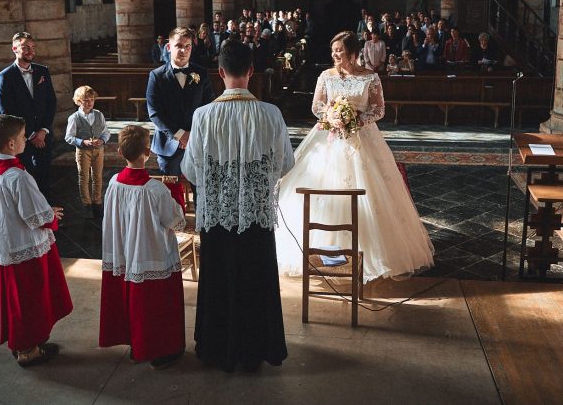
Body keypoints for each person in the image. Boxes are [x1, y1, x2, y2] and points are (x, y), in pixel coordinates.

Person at [275, 31, 435, 283]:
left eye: (339, 50)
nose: (335, 55)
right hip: (328, 138)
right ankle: (324, 249)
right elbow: (316, 106)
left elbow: (379, 109)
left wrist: (356, 119)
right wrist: (331, 116)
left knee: (370, 192)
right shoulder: (325, 76)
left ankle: (368, 252)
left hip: (363, 138)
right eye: (333, 51)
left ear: (352, 53)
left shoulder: (370, 77)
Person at [181, 41, 295, 372]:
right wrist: (256, 179)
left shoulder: (202, 116)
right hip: (255, 215)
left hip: (217, 216)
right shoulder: (270, 113)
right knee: (255, 280)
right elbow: (285, 163)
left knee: (220, 280)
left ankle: (218, 349)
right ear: (251, 71)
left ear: (220, 73)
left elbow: (190, 169)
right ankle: (256, 349)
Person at [0, 114, 72, 367]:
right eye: (22, 137)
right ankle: (28, 351)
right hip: (24, 247)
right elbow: (36, 217)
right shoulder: (17, 176)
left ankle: (23, 342)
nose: (25, 140)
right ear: (11, 144)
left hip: (6, 246)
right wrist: (50, 215)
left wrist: (42, 210)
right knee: (30, 299)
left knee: (16, 298)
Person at [99, 125, 187, 368]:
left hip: (126, 253)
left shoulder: (115, 182)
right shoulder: (155, 189)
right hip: (151, 255)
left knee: (132, 301)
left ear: (119, 151)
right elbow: (176, 221)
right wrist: (176, 193)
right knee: (155, 306)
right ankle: (158, 350)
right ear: (148, 152)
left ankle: (136, 343)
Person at [146, 27, 217, 176]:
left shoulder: (202, 74)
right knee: (171, 194)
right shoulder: (156, 76)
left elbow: (209, 108)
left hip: (197, 143)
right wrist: (179, 135)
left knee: (200, 192)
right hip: (168, 145)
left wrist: (192, 134)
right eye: (178, 45)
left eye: (187, 46)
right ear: (169, 47)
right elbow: (154, 112)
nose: (183, 50)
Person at [0, 32, 57, 194]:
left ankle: (48, 212)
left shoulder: (42, 71)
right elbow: (7, 112)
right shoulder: (5, 77)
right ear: (15, 49)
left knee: (45, 176)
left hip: (44, 135)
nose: (30, 51)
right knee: (27, 178)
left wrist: (44, 130)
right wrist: (30, 135)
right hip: (21, 137)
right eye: (25, 48)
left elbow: (51, 102)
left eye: (32, 47)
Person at [64, 85, 111, 218]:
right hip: (83, 151)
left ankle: (97, 201)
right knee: (84, 177)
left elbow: (105, 132)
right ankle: (87, 204)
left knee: (98, 176)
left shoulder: (98, 114)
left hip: (98, 150)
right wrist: (82, 142)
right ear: (79, 101)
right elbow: (68, 137)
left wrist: (102, 140)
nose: (90, 102)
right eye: (86, 100)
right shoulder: (74, 117)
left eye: (92, 99)